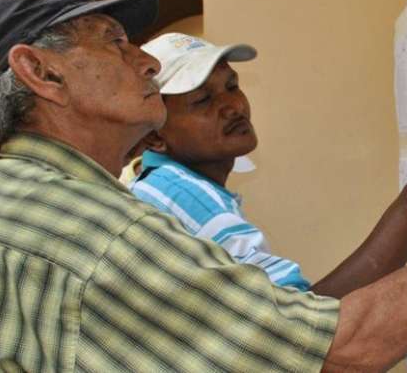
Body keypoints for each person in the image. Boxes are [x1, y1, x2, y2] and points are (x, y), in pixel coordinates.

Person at [0, 0, 407, 372]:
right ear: (40, 72)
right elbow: (338, 346)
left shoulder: (1, 197)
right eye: (115, 43)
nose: (143, 61)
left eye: (229, 87)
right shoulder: (102, 231)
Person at [127, 33, 313, 291]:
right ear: (154, 136)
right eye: (203, 99)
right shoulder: (183, 195)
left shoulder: (161, 185)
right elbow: (298, 315)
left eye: (232, 85)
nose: (233, 106)